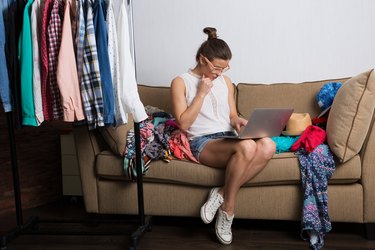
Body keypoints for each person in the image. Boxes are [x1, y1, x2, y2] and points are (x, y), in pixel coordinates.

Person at [170, 27, 276, 245]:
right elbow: (183, 123)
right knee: (247, 148)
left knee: (268, 145)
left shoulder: (225, 82)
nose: (220, 73)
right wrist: (201, 93)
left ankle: (219, 192)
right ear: (203, 59)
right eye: (217, 68)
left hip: (228, 136)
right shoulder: (181, 82)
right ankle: (228, 210)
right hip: (201, 141)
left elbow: (231, 115)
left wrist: (238, 121)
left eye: (224, 68)